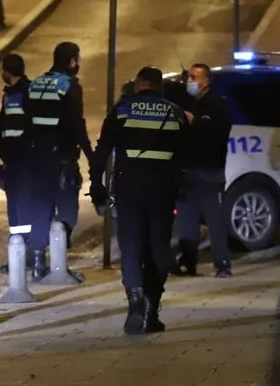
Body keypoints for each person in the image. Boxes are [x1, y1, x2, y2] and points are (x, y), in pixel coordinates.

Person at [90, 66, 188, 335]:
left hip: (128, 189)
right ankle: (151, 309)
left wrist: (95, 183)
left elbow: (101, 151)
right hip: (163, 190)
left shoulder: (122, 110)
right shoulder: (175, 112)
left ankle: (135, 302)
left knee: (131, 246)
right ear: (160, 86)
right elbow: (187, 155)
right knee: (158, 247)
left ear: (137, 86)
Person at [22, 41, 93, 279]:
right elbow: (76, 123)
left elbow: (26, 121)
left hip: (35, 158)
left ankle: (38, 261)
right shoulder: (69, 86)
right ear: (72, 61)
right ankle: (59, 265)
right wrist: (90, 154)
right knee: (67, 209)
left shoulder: (35, 83)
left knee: (40, 207)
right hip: (61, 157)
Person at [173, 63, 234, 278]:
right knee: (186, 224)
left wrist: (194, 122)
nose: (189, 81)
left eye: (193, 77)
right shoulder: (191, 104)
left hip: (210, 175)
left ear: (206, 81)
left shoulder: (217, 106)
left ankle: (222, 265)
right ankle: (188, 263)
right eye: (188, 77)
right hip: (187, 176)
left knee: (216, 223)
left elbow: (216, 134)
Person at [0, 54, 31, 274]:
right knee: (15, 213)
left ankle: (25, 256)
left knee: (22, 211)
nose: (2, 73)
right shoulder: (10, 94)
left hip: (23, 163)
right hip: (13, 163)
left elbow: (25, 129)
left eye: (3, 69)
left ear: (9, 71)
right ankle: (18, 256)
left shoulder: (25, 93)